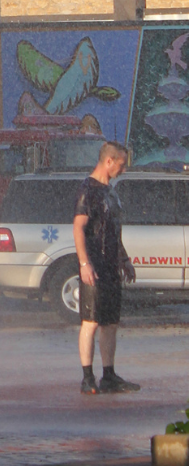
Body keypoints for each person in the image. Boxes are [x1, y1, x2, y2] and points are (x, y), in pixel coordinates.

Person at [73, 140, 139, 394]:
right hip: (94, 265)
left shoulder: (110, 191)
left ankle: (109, 376)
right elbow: (79, 228)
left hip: (111, 265)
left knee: (110, 322)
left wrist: (124, 259)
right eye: (121, 165)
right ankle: (87, 377)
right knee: (90, 321)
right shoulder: (87, 190)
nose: (123, 170)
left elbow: (113, 231)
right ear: (108, 161)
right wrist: (84, 263)